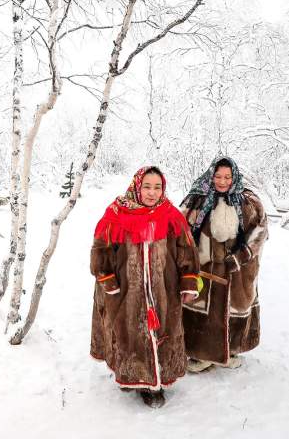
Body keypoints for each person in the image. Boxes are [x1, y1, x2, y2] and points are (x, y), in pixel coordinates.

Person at [90, 166, 201, 409]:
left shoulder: (172, 215)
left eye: (157, 187)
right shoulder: (116, 214)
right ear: (137, 187)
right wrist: (108, 281)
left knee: (162, 333)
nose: (152, 193)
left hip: (164, 290)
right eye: (147, 187)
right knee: (128, 334)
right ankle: (133, 376)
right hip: (126, 291)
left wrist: (189, 282)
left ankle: (154, 384)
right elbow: (101, 250)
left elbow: (187, 251)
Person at [179, 156, 268, 373]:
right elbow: (180, 230)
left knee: (232, 308)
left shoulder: (249, 202)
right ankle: (201, 354)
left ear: (234, 176)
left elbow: (260, 231)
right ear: (211, 174)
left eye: (227, 177)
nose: (222, 181)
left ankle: (231, 350)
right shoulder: (196, 200)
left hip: (237, 271)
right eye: (218, 176)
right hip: (204, 270)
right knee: (203, 310)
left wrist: (240, 257)